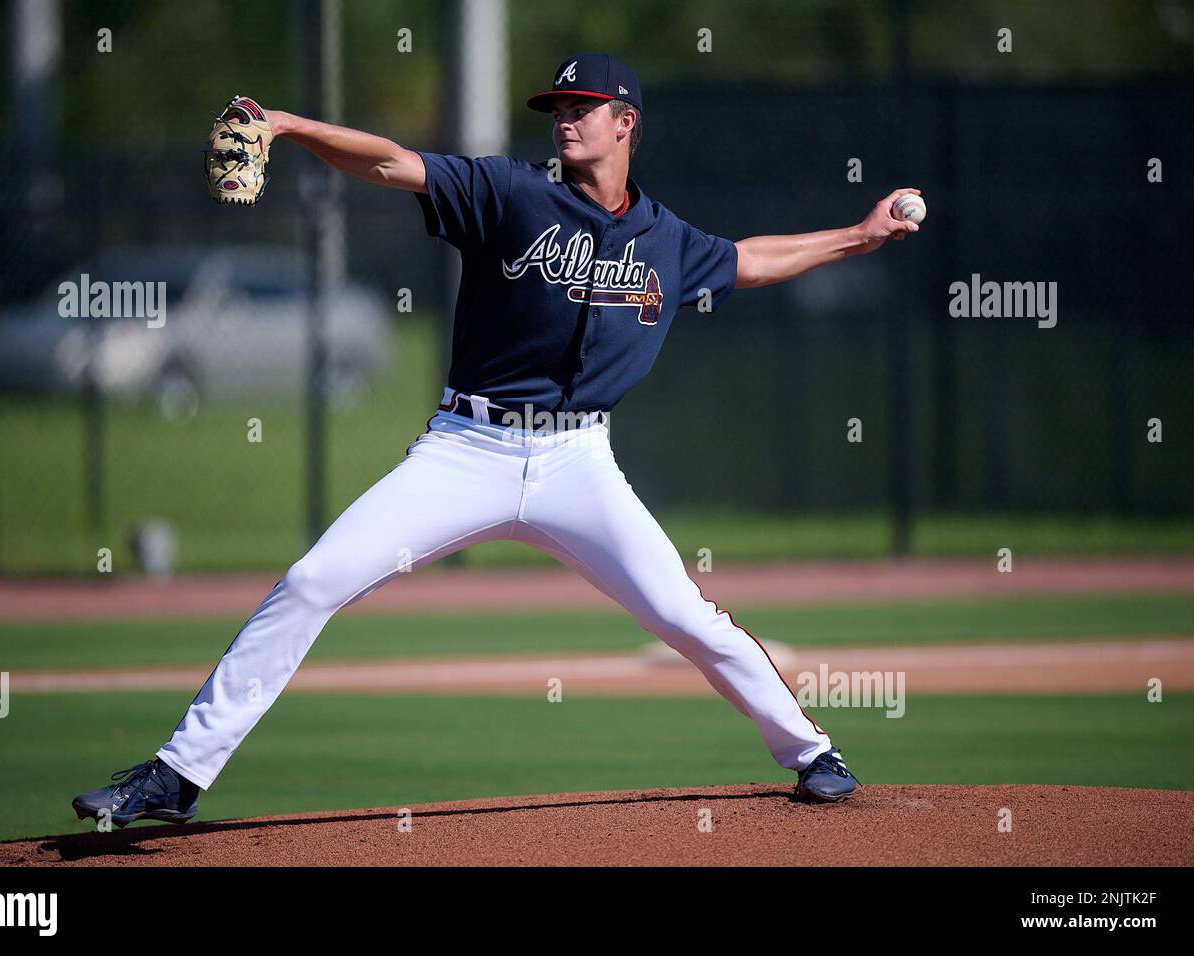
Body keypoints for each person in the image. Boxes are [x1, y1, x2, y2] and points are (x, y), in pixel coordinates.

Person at [73, 52, 920, 829]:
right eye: (558, 105)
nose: (565, 117)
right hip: (464, 450)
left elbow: (749, 260)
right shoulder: (510, 193)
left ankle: (812, 754)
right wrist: (290, 127)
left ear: (626, 122)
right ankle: (177, 776)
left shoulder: (665, 239)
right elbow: (391, 162)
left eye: (583, 105)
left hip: (579, 462)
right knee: (310, 581)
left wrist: (862, 234)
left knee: (685, 616)